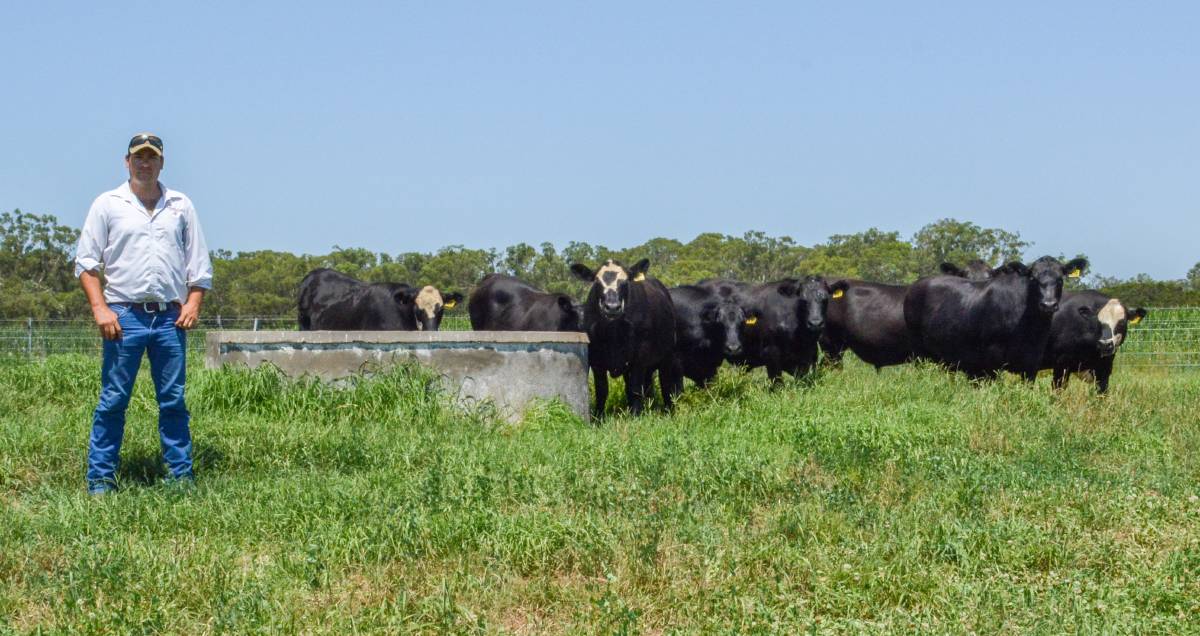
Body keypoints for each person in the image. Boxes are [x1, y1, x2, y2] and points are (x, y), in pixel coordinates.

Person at [74, 133, 213, 495]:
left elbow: (198, 265)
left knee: (173, 400)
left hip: (170, 318)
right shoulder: (108, 204)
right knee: (113, 400)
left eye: (152, 157)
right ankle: (101, 479)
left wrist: (194, 303)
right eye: (139, 157)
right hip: (123, 317)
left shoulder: (181, 206)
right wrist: (100, 308)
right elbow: (86, 264)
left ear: (162, 163)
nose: (145, 163)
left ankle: (180, 478)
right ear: (127, 161)